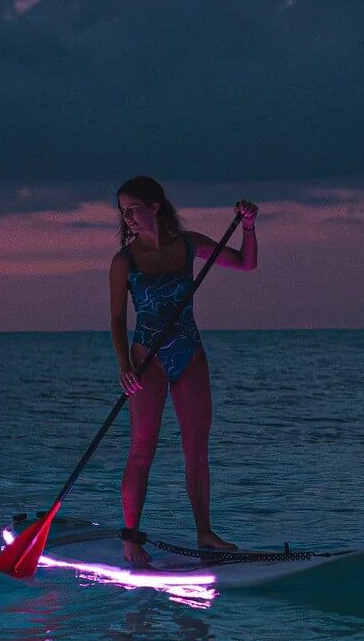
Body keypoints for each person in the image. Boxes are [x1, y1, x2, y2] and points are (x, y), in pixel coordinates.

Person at [109, 176, 258, 565]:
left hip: (189, 354)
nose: (128, 218)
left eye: (133, 209)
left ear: (155, 206)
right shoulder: (124, 261)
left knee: (197, 450)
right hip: (147, 360)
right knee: (142, 449)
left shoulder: (188, 245)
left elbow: (246, 263)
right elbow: (115, 319)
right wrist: (125, 365)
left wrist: (248, 226)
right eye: (123, 212)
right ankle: (130, 540)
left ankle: (205, 534)